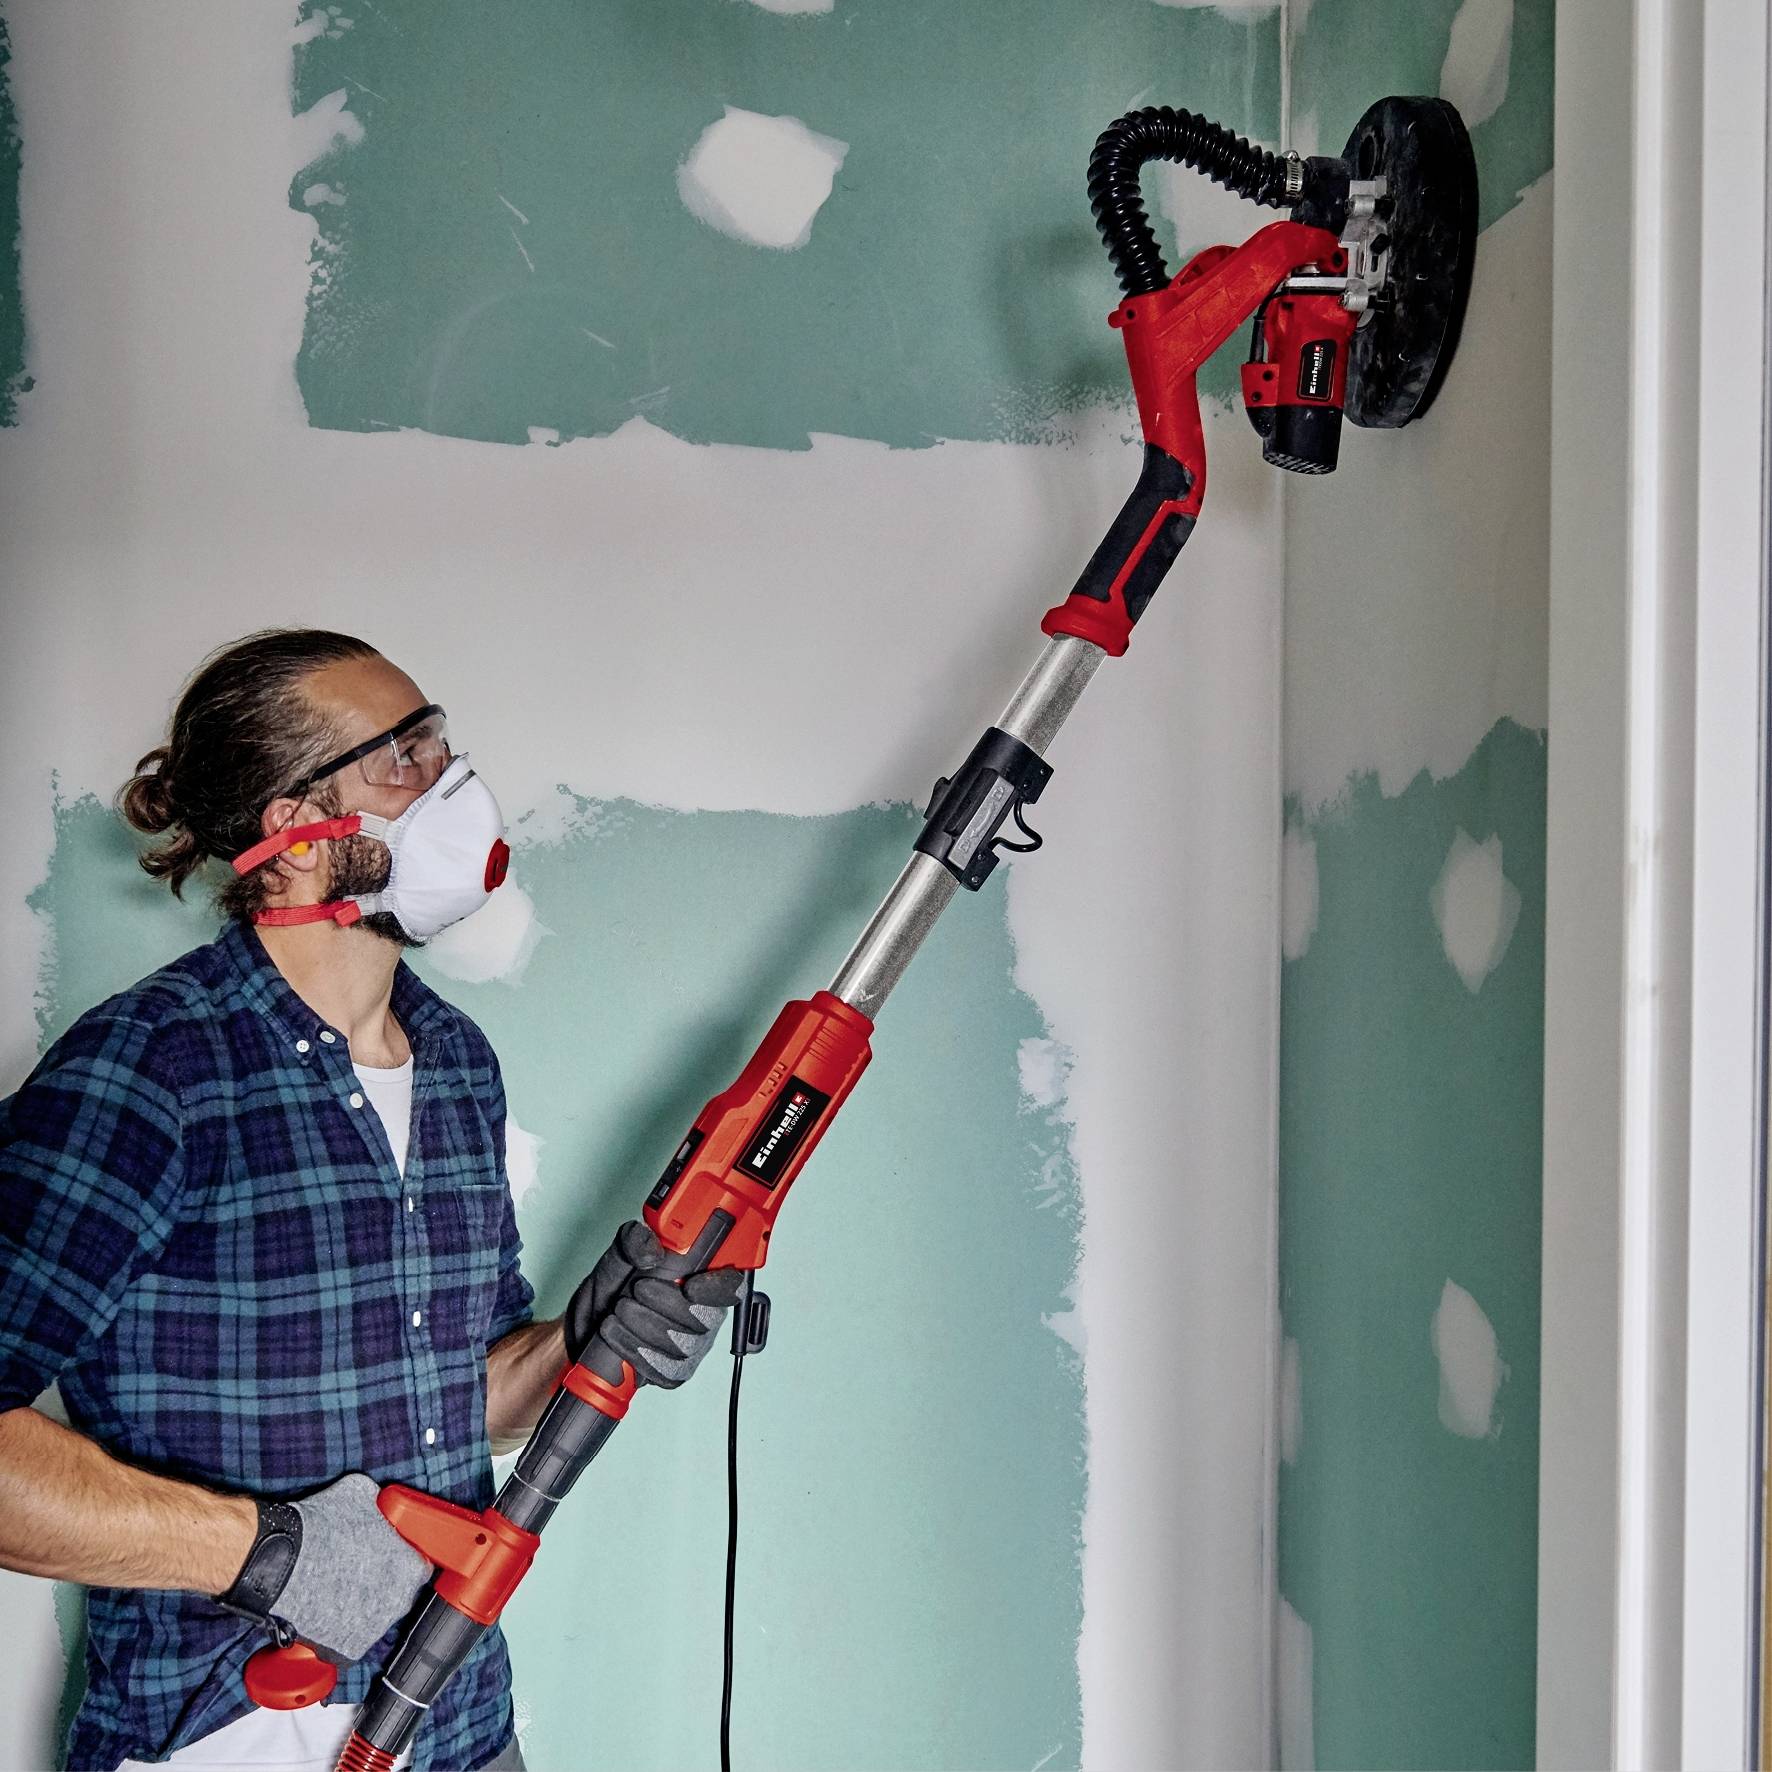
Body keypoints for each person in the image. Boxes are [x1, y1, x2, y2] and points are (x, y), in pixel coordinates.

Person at [0, 630, 741, 1772]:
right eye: (402, 757)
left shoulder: (453, 1059)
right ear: (293, 831)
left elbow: (465, 1397)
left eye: (440, 739)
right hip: (231, 1734)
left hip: (456, 1714)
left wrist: (593, 1327)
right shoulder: (149, 1072)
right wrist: (264, 1551)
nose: (452, 781)